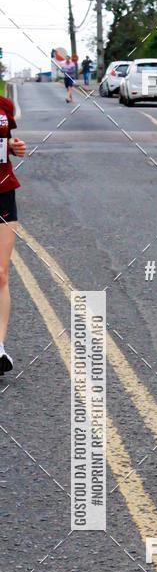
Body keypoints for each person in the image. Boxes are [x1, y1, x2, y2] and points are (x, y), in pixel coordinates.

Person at [0, 95, 26, 375]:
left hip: (3, 191)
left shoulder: (4, 105)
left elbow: (8, 142)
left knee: (1, 273)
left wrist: (14, 146)